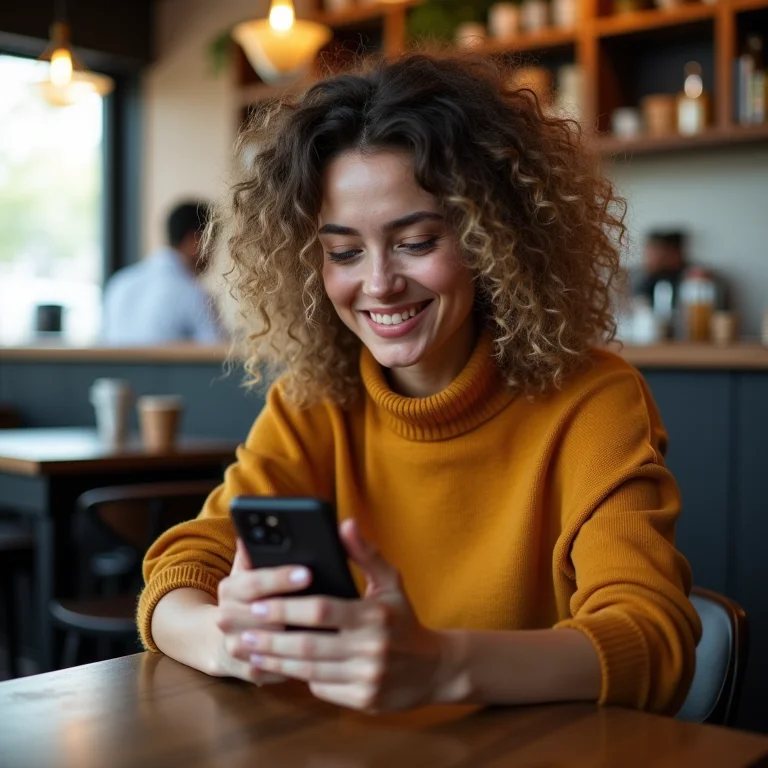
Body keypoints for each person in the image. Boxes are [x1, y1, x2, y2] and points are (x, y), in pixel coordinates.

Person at [138, 54, 701, 716]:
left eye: (416, 241)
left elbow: (652, 639)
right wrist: (228, 640)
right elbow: (183, 568)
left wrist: (442, 665)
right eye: (344, 252)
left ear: (493, 238)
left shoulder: (593, 401)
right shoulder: (312, 403)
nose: (378, 284)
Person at [101, 201, 224, 345]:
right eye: (212, 243)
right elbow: (218, 355)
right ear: (194, 240)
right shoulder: (194, 295)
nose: (213, 256)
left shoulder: (119, 282)